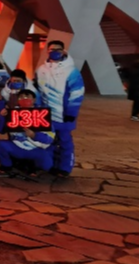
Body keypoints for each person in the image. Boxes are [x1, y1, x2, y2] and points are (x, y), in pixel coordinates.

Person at [36, 40, 85, 177]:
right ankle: (50, 165)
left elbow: (77, 93)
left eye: (58, 49)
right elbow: (37, 91)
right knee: (48, 141)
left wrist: (71, 113)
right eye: (51, 49)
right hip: (46, 115)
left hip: (63, 114)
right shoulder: (41, 70)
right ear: (47, 51)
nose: (54, 52)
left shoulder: (71, 71)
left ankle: (65, 168)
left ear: (63, 51)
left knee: (64, 142)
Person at [0, 89, 55, 176]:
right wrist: (1, 117)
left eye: (27, 97)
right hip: (16, 147)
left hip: (35, 149)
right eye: (21, 97)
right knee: (0, 144)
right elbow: (0, 130)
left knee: (47, 165)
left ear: (34, 100)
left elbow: (50, 138)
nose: (24, 99)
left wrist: (34, 135)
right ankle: (7, 165)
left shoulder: (42, 114)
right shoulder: (12, 112)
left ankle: (33, 167)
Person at [128, 56, 139, 122]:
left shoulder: (135, 66)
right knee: (138, 102)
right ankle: (134, 115)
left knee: (138, 102)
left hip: (138, 87)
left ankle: (134, 115)